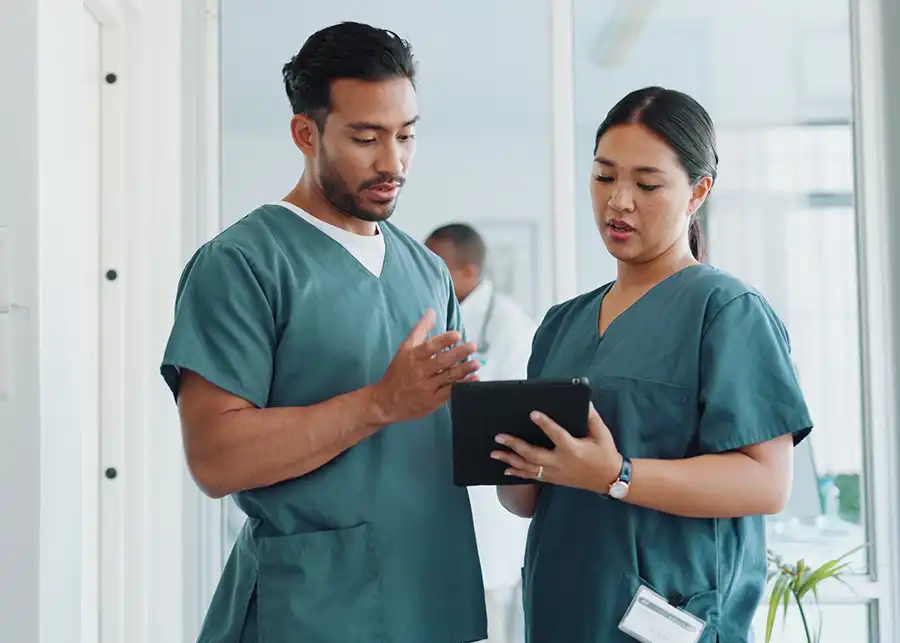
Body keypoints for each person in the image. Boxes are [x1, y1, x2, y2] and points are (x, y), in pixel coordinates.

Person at [159, 22, 488, 643]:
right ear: (305, 134)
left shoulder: (427, 272)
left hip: (432, 599)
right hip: (313, 611)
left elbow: (440, 434)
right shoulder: (243, 265)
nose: (393, 162)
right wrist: (377, 404)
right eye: (366, 138)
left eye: (407, 135)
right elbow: (214, 457)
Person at [491, 86, 813, 643]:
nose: (618, 201)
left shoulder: (726, 310)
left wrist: (616, 476)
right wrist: (507, 456)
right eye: (603, 176)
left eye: (646, 184)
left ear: (698, 192)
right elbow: (527, 500)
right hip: (561, 611)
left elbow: (767, 482)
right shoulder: (561, 324)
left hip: (668, 620)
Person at [426, 224, 536, 643]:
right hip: (435, 504)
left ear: (469, 272)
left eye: (439, 266)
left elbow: (509, 422)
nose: (427, 273)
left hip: (489, 516)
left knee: (488, 628)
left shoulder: (509, 328)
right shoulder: (432, 320)